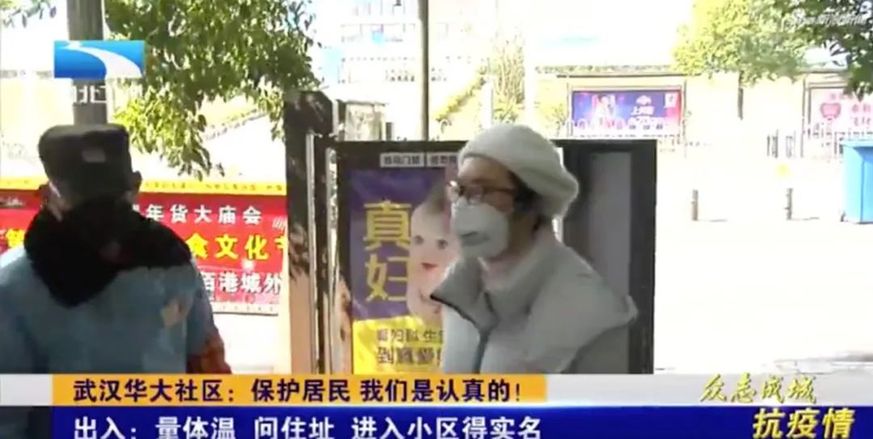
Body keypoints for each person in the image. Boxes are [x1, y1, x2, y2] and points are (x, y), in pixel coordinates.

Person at [0, 125, 230, 438]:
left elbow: (209, 378)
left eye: (111, 196)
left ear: (136, 187)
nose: (100, 212)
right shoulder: (12, 287)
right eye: (81, 197)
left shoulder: (172, 264)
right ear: (46, 195)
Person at [432, 124, 637, 373]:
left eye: (481, 191)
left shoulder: (588, 309)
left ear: (532, 201)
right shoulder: (459, 288)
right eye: (459, 190)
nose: (463, 205)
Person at [406, 175, 459, 326]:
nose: (427, 254)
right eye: (418, 240)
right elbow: (413, 302)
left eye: (442, 244)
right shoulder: (416, 273)